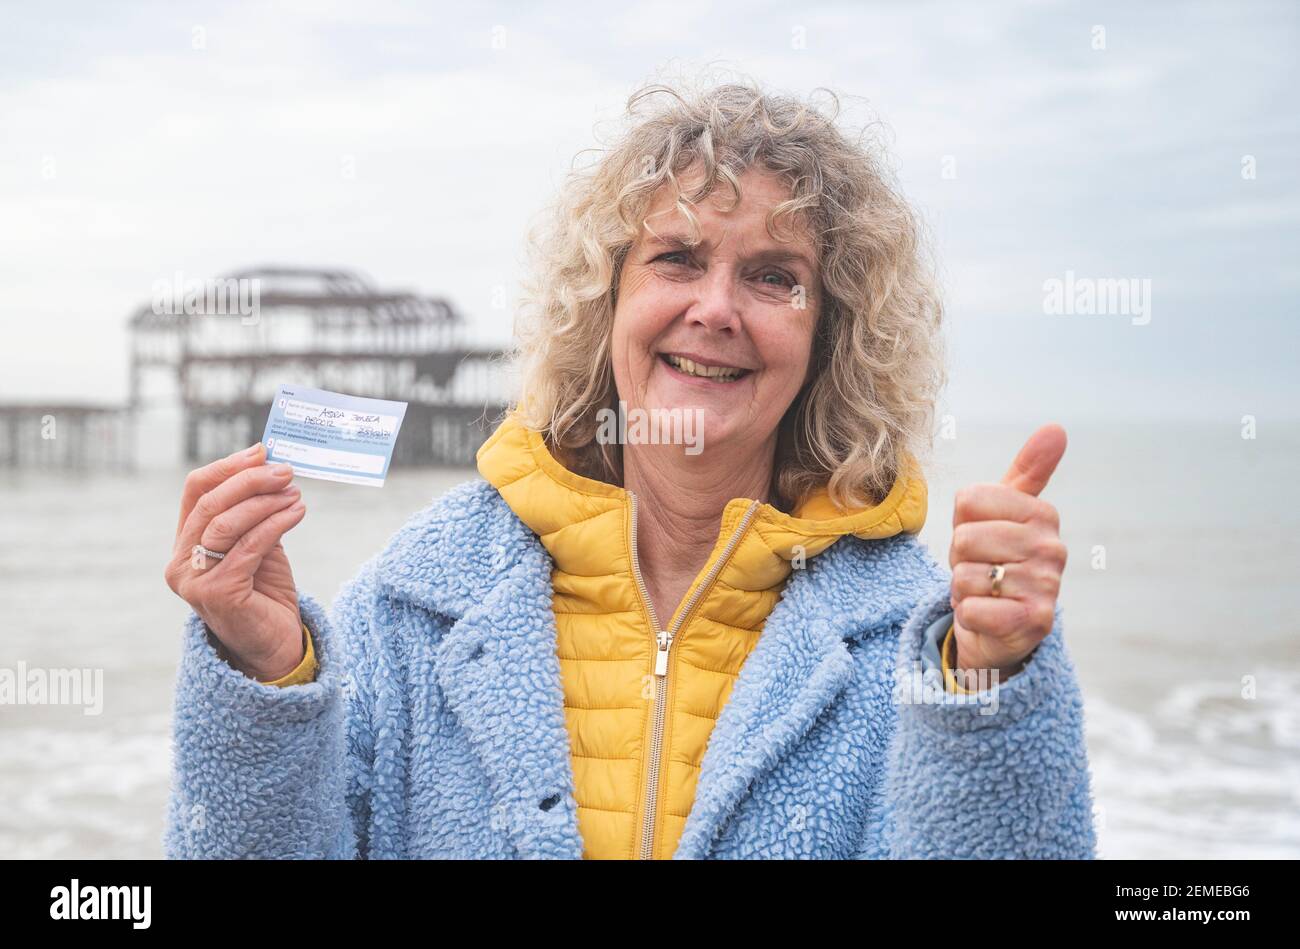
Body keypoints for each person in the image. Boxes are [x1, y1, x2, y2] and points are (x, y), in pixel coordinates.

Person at [162, 79, 1094, 859]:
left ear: (829, 335)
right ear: (603, 300)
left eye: (773, 276)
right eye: (677, 258)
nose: (716, 308)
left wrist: (992, 691)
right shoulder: (417, 604)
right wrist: (263, 671)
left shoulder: (915, 644)